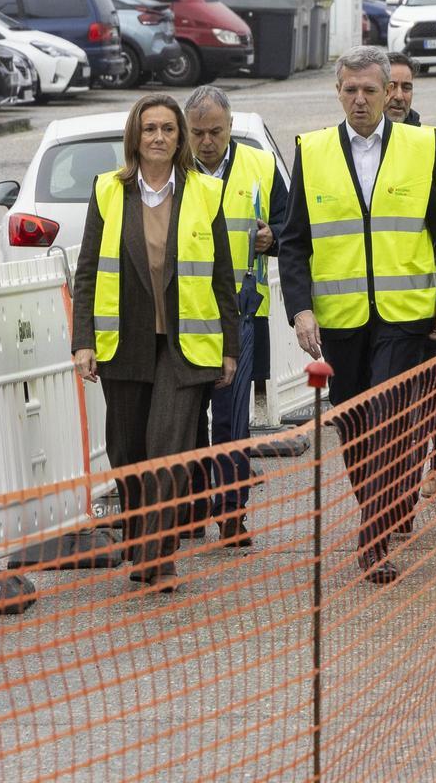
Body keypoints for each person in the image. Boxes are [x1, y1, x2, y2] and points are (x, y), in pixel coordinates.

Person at [280, 45, 436, 584]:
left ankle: (372, 540)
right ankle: (383, 506)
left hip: (406, 314)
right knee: (355, 423)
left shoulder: (424, 147)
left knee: (390, 419)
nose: (359, 99)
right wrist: (301, 310)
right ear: (338, 92)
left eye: (369, 91)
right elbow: (293, 240)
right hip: (341, 317)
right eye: (349, 90)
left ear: (387, 93)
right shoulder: (314, 150)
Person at [72, 93, 239, 593]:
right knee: (128, 455)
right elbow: (86, 272)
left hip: (186, 346)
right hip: (123, 342)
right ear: (135, 136)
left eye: (168, 128)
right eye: (151, 129)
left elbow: (223, 277)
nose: (160, 137)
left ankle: (159, 559)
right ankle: (140, 550)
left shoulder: (205, 192)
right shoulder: (108, 191)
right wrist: (83, 340)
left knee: (169, 449)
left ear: (179, 137)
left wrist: (230, 346)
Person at [184, 85, 288, 548]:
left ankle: (231, 515)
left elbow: (292, 224)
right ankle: (190, 512)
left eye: (216, 132)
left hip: (241, 313)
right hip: (186, 313)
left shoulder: (260, 165)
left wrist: (275, 236)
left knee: (231, 419)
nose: (207, 141)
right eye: (198, 133)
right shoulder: (173, 169)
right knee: (187, 419)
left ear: (230, 128)